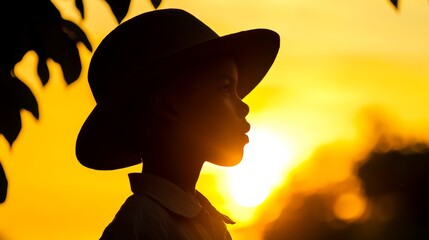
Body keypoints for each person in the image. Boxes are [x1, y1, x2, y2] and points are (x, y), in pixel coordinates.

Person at [75, 8, 280, 239]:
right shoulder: (141, 226)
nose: (244, 107)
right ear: (166, 104)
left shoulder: (211, 224)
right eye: (224, 88)